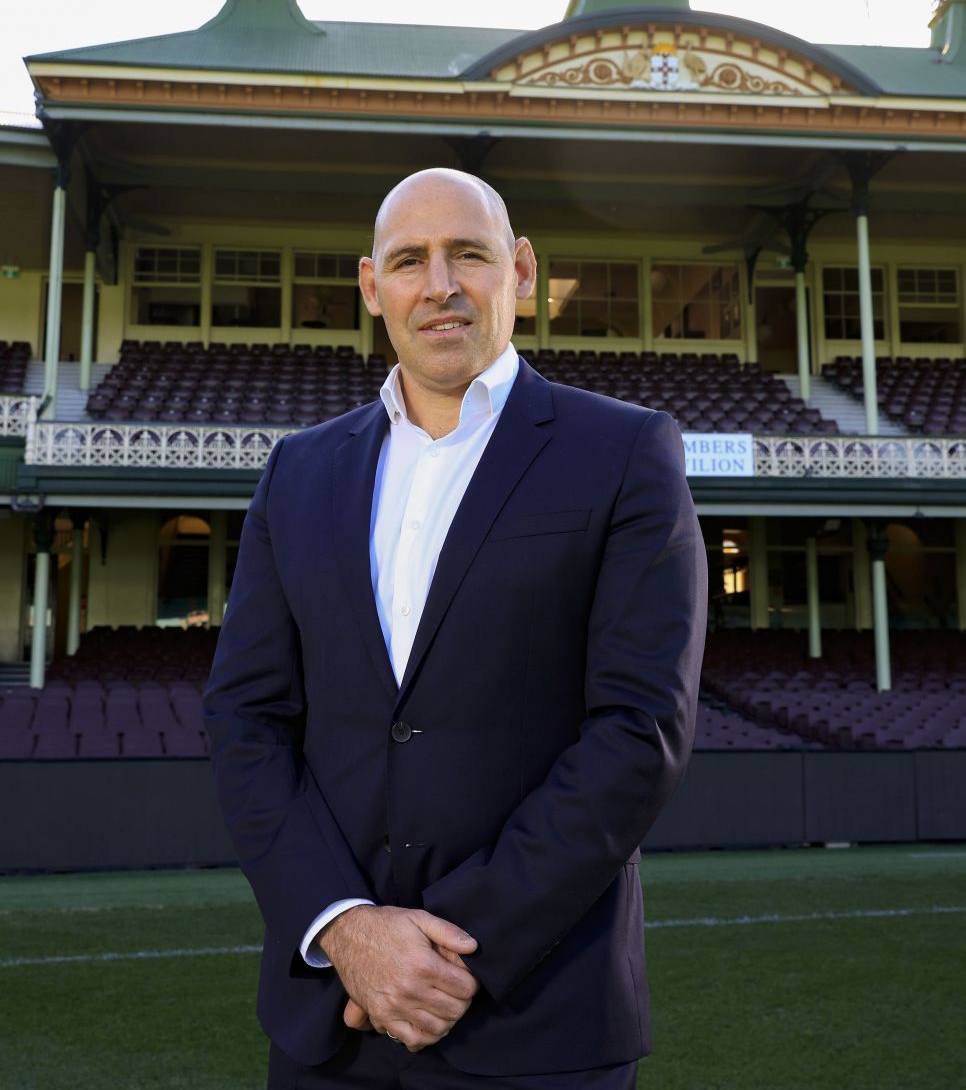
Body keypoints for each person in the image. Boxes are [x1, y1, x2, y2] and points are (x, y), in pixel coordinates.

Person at [205, 168, 706, 1088]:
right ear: (373, 288)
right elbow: (246, 720)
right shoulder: (299, 472)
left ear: (518, 271)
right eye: (410, 261)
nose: (439, 283)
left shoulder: (626, 451)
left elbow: (641, 731)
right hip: (330, 1022)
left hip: (538, 1021)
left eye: (466, 254)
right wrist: (347, 929)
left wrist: (447, 954)